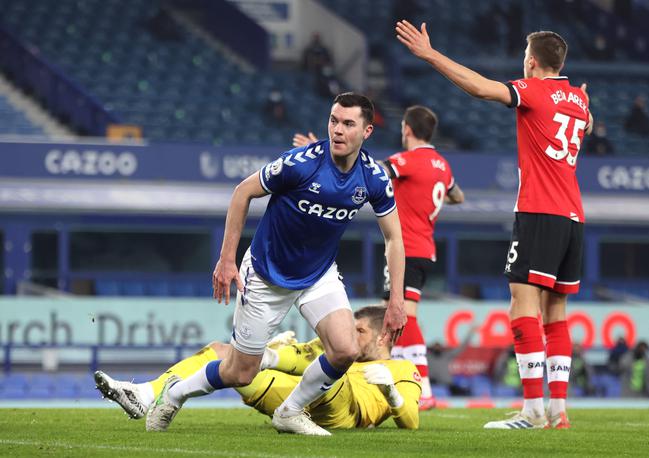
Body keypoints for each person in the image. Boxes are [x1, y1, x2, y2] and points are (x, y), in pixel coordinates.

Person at [135, 93, 406, 436]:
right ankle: (174, 394)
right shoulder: (301, 163)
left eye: (348, 124)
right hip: (267, 275)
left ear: (367, 131)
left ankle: (290, 412)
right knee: (240, 372)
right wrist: (226, 260)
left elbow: (394, 239)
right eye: (333, 121)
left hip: (317, 274)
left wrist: (395, 298)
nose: (337, 130)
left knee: (346, 349)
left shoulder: (373, 178)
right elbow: (242, 192)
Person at [396, 21, 593, 430]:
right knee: (556, 312)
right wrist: (584, 111)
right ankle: (558, 412)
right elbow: (586, 125)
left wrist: (431, 55)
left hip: (539, 211)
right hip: (574, 215)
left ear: (533, 62)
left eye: (525, 57)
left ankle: (532, 410)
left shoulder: (533, 90)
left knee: (522, 305)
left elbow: (480, 87)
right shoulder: (578, 100)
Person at [292, 106, 465, 410]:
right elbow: (457, 196)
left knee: (402, 316)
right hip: (427, 250)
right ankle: (404, 379)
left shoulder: (407, 161)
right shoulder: (442, 165)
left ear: (407, 129)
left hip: (407, 249)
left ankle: (422, 387)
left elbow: (372, 170)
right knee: (394, 316)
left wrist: (319, 153)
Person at [95, 306, 421, 430]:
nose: (353, 335)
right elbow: (305, 358)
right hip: (295, 400)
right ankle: (145, 393)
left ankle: (273, 358)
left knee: (331, 360)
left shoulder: (402, 369)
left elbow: (411, 422)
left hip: (346, 411)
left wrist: (391, 394)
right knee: (225, 354)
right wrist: (275, 350)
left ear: (384, 335)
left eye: (360, 331)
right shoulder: (337, 347)